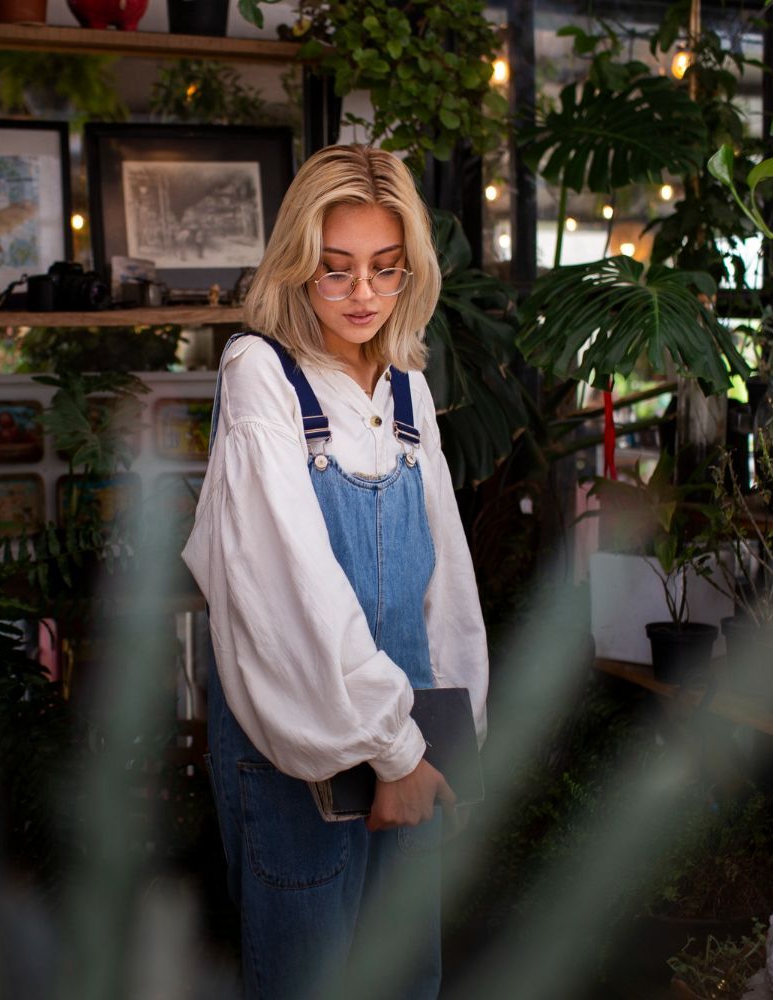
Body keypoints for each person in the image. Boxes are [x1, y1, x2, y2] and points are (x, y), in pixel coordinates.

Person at [182, 144, 489, 999]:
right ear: (295, 267)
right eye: (336, 271)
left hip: (412, 750)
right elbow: (289, 595)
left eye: (385, 271)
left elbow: (446, 581)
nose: (362, 295)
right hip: (299, 754)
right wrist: (390, 751)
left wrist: (452, 742)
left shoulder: (408, 389)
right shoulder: (260, 375)